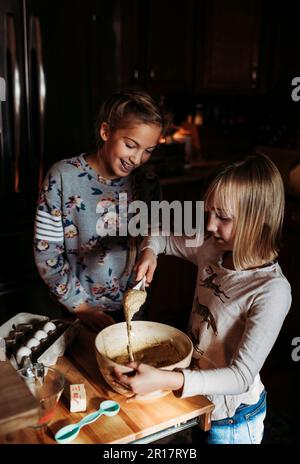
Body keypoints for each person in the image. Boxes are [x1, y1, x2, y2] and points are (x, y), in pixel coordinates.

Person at [114, 153, 292, 444]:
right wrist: (150, 252)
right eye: (209, 213)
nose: (210, 225)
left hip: (234, 420)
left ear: (258, 220)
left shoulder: (271, 291)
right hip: (198, 402)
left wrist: (165, 379)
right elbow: (161, 235)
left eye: (223, 217)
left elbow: (240, 377)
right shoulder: (212, 250)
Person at [34, 89, 165, 332]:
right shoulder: (63, 177)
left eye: (148, 150)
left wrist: (151, 251)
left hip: (132, 306)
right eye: (130, 145)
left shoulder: (147, 182)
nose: (137, 159)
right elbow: (47, 254)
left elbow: (154, 231)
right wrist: (80, 306)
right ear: (106, 132)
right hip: (78, 307)